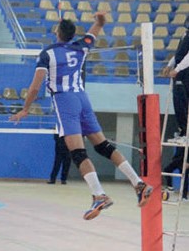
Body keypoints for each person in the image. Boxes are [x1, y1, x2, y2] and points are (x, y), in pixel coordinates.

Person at [10, 12, 153, 220]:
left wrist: (25, 109)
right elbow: (96, 29)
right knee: (104, 146)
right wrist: (100, 21)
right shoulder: (81, 46)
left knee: (77, 153)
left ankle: (99, 195)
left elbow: (34, 87)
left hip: (64, 100)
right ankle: (139, 184)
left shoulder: (47, 53)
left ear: (57, 32)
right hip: (82, 99)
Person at [164, 15, 189, 144]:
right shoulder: (185, 34)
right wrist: (170, 64)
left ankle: (185, 132)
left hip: (185, 74)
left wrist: (177, 69)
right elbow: (180, 52)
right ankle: (182, 131)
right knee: (177, 102)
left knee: (183, 103)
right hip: (179, 72)